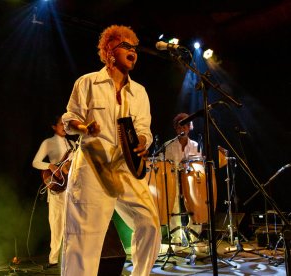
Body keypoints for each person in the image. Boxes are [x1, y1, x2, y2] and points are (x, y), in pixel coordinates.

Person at [61, 25, 161, 276]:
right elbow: (69, 119)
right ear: (109, 51)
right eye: (126, 46)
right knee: (85, 237)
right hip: (93, 165)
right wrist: (84, 126)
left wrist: (141, 140)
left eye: (135, 48)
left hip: (126, 166)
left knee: (149, 223)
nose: (133, 51)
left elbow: (144, 129)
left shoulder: (140, 92)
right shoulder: (87, 83)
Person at [32, 115, 75, 268]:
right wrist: (50, 166)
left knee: (71, 225)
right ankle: (53, 260)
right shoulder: (48, 142)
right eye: (60, 123)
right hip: (57, 188)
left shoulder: (73, 144)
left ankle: (69, 257)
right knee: (57, 224)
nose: (64, 126)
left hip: (70, 188)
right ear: (54, 126)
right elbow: (36, 162)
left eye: (66, 123)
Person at [163, 113, 202, 244]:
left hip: (190, 182)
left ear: (190, 127)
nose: (182, 129)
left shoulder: (196, 145)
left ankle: (194, 236)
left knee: (196, 205)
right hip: (174, 181)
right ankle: (176, 238)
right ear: (176, 129)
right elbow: (166, 166)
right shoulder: (168, 145)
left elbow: (198, 165)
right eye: (180, 127)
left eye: (185, 126)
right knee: (173, 206)